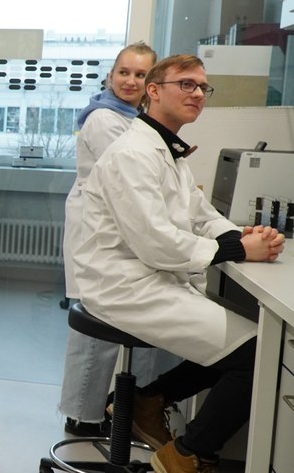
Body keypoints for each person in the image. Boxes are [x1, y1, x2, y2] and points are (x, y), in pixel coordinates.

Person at [73, 54, 285, 473]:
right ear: (154, 91)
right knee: (256, 355)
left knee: (254, 343)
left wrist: (244, 236)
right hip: (125, 286)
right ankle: (187, 456)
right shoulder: (132, 154)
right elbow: (156, 243)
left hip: (152, 278)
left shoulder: (168, 152)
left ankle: (149, 400)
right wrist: (241, 251)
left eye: (203, 87)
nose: (198, 94)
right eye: (186, 84)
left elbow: (201, 214)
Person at [59, 42, 158, 436]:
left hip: (110, 230)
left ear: (152, 83)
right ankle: (82, 417)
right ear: (111, 75)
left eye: (140, 74)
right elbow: (130, 175)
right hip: (97, 231)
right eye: (124, 72)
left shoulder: (133, 118)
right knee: (94, 326)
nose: (130, 81)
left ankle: (102, 408)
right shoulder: (104, 118)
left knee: (103, 321)